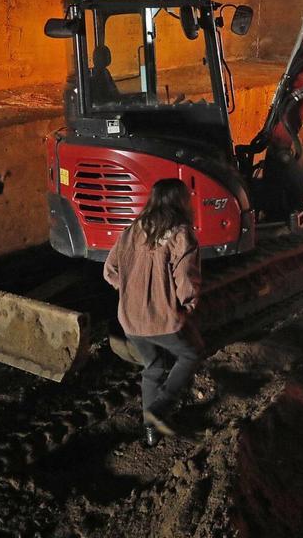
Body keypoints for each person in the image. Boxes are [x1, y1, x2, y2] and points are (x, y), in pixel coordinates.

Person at [103, 178, 202, 447]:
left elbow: (109, 271)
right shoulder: (182, 234)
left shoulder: (131, 231)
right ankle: (159, 409)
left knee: (154, 366)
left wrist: (130, 291)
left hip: (130, 321)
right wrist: (188, 304)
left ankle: (150, 431)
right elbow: (185, 279)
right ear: (181, 202)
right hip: (162, 319)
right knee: (191, 354)